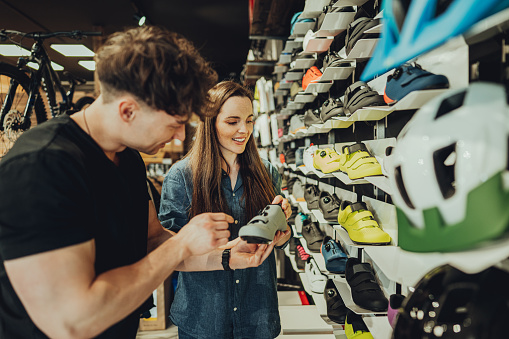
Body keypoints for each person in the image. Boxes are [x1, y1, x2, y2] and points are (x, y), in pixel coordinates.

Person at [0, 26, 277, 339]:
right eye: (174, 125)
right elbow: (73, 321)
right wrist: (183, 242)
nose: (178, 137)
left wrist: (226, 256)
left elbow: (153, 241)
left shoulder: (127, 158)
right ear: (127, 110)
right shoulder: (42, 167)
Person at [159, 80, 293, 339]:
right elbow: (169, 252)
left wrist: (282, 230)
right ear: (211, 123)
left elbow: (282, 241)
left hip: (257, 313)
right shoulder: (182, 176)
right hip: (204, 317)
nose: (244, 130)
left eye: (250, 120)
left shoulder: (267, 172)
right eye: (233, 122)